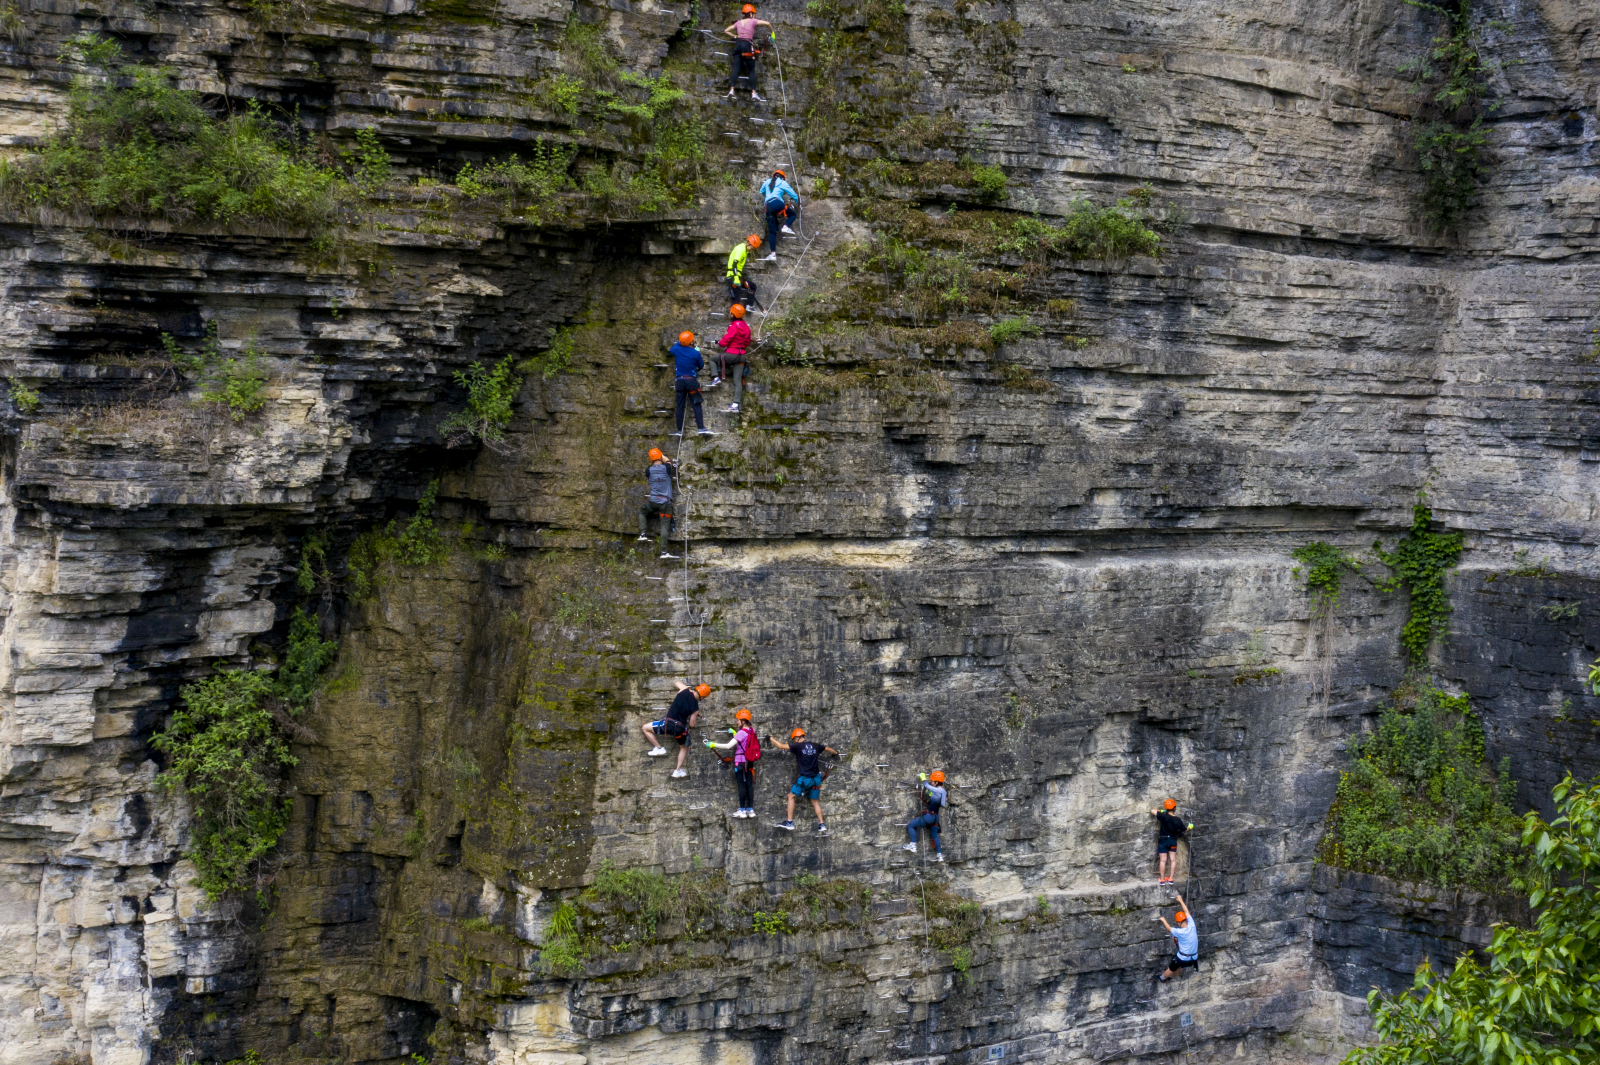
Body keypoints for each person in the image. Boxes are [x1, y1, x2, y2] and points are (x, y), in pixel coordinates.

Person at [766, 727, 835, 833]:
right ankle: (822, 824)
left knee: (791, 796)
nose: (794, 741)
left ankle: (789, 822)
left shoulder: (797, 746)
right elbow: (829, 749)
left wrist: (770, 738)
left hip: (805, 779)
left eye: (794, 740)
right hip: (816, 779)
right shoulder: (816, 745)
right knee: (815, 802)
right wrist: (836, 754)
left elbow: (780, 746)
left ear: (797, 738)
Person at [642, 681, 711, 777]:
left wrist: (688, 689)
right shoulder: (695, 707)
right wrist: (690, 725)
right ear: (702, 697)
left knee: (645, 728)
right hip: (680, 728)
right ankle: (677, 771)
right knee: (683, 748)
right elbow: (692, 723)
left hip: (668, 724)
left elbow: (676, 682)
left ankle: (659, 748)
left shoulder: (684, 690)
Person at [706, 707, 761, 817]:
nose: (736, 722)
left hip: (740, 762)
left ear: (743, 721)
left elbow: (728, 746)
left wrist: (713, 744)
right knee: (749, 786)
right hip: (749, 762)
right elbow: (744, 741)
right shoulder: (751, 730)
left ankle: (742, 811)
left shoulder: (741, 733)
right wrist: (735, 733)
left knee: (741, 786)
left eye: (738, 720)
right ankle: (750, 809)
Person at [667, 330, 712, 438]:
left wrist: (680, 343)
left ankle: (679, 430)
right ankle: (700, 428)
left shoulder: (676, 349)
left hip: (680, 382)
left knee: (680, 406)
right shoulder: (695, 353)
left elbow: (671, 350)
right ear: (691, 342)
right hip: (691, 381)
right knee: (696, 404)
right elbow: (700, 366)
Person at [723, 4, 772, 101]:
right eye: (754, 13)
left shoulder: (738, 22)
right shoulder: (753, 21)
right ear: (750, 13)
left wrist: (736, 36)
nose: (754, 15)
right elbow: (767, 23)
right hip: (747, 45)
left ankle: (731, 90)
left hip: (738, 45)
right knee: (751, 70)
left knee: (736, 69)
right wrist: (772, 33)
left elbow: (726, 30)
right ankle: (753, 93)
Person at [637, 448, 678, 559]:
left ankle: (643, 534)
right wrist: (663, 457)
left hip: (654, 501)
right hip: (666, 504)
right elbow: (669, 462)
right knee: (664, 527)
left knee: (643, 512)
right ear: (660, 457)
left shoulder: (648, 470)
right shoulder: (666, 468)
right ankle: (663, 552)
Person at [711, 304, 751, 412]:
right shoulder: (746, 327)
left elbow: (725, 341)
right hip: (742, 356)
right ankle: (736, 404)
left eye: (731, 312)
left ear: (733, 314)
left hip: (731, 354)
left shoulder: (733, 326)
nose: (730, 314)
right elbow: (747, 341)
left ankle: (715, 378)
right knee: (737, 380)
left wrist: (719, 343)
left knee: (712, 359)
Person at [902, 769, 947, 861]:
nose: (931, 783)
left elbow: (926, 785)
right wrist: (933, 796)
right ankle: (939, 855)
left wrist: (923, 778)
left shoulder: (937, 790)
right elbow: (942, 804)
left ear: (937, 782)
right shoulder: (943, 791)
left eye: (932, 782)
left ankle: (913, 845)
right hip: (935, 818)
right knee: (934, 835)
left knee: (910, 825)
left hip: (929, 817)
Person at [1155, 893, 1199, 983]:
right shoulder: (1192, 925)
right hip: (1193, 958)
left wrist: (1163, 920)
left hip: (1183, 958)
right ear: (1185, 919)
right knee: (1180, 966)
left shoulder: (1179, 932)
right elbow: (1187, 912)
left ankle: (1162, 978)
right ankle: (1173, 976)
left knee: (1171, 968)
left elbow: (1169, 928)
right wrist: (1181, 900)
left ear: (1178, 923)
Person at [1149, 798, 1192, 886]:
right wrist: (1189, 827)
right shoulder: (1178, 820)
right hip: (1173, 840)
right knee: (1173, 860)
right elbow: (1184, 830)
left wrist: (1162, 810)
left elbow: (1152, 811)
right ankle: (1171, 878)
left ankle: (1162, 879)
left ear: (1166, 808)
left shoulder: (1163, 816)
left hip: (1163, 840)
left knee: (1163, 860)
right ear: (1175, 808)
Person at [757, 169, 799, 257]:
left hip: (768, 207)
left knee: (772, 232)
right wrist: (798, 201)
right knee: (793, 215)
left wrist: (768, 192)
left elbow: (761, 191)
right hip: (776, 203)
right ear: (783, 178)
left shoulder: (767, 182)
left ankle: (773, 254)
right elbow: (793, 194)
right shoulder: (782, 182)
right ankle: (786, 227)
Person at [726, 235, 764, 309]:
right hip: (733, 277)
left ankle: (749, 305)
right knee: (736, 299)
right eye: (752, 248)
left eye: (753, 249)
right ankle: (734, 319)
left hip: (737, 277)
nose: (752, 250)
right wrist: (736, 278)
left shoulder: (745, 250)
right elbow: (734, 264)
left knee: (752, 286)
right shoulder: (741, 250)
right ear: (749, 243)